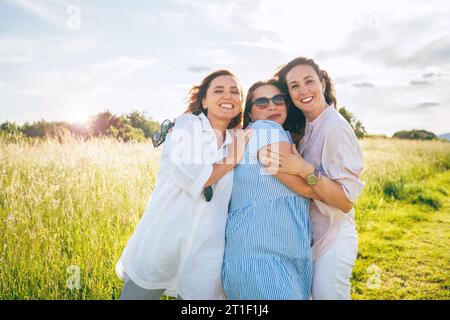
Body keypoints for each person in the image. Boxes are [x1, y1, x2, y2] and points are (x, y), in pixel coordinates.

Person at [116, 70, 252, 300]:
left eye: (235, 91)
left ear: (241, 102)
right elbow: (194, 177)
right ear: (204, 100)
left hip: (205, 252)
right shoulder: (187, 126)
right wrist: (233, 159)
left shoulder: (236, 141)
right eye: (218, 90)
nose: (227, 96)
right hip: (164, 239)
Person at [263, 57, 365, 299]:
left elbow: (346, 201)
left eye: (309, 81)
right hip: (312, 238)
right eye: (294, 86)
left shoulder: (334, 127)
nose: (303, 90)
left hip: (333, 237)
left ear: (322, 83)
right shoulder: (309, 126)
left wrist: (304, 169)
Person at [221, 79, 318, 300]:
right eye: (262, 102)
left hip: (264, 256)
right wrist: (335, 189)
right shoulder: (266, 130)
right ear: (250, 114)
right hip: (265, 260)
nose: (272, 106)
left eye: (278, 100)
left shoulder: (261, 135)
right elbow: (308, 189)